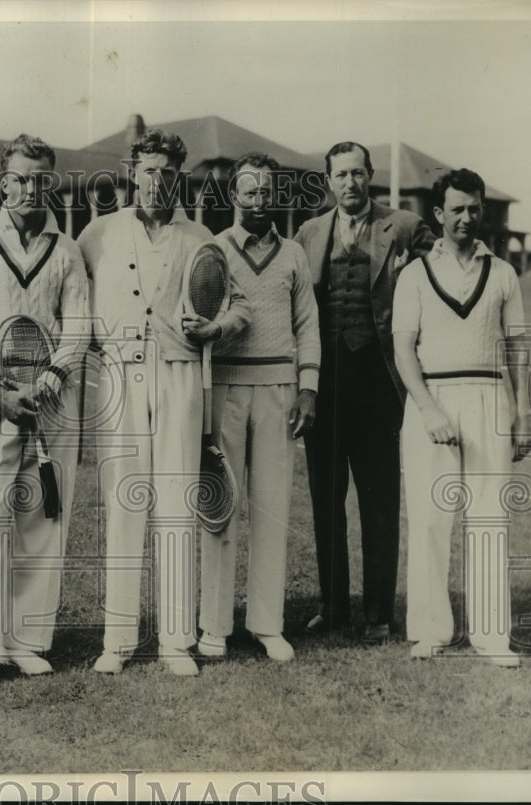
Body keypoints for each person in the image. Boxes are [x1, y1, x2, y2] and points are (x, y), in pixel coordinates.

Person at [78, 129, 249, 676]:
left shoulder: (201, 237)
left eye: (168, 173)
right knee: (124, 504)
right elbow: (71, 297)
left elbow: (238, 306)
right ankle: (118, 639)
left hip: (179, 376)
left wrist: (214, 327)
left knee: (176, 505)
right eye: (148, 170)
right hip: (118, 379)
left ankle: (176, 641)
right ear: (132, 172)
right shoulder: (97, 234)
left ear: (181, 177)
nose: (157, 182)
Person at [0, 134, 89, 694]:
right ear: (2, 183)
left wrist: (52, 378)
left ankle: (26, 641)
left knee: (42, 521)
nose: (30, 188)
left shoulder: (69, 248)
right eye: (20, 178)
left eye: (41, 178)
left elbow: (78, 323)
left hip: (54, 404)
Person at [295, 141, 434, 642]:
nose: (349, 183)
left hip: (378, 382)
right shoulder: (309, 232)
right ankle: (333, 607)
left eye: (357, 174)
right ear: (327, 180)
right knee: (325, 500)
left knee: (378, 501)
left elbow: (441, 277)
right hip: (324, 384)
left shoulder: (402, 226)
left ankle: (378, 612)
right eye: (340, 175)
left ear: (370, 175)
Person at [393, 168, 531, 667]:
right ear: (439, 214)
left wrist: (523, 412)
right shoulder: (413, 274)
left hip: (490, 397)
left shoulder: (503, 273)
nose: (467, 218)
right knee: (431, 519)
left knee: (489, 517)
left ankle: (492, 635)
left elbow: (516, 347)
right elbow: (403, 350)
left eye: (474, 208)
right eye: (457, 209)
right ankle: (430, 629)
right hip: (432, 401)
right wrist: (429, 409)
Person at [198, 153, 320, 662]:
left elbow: (307, 324)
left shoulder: (293, 254)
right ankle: (213, 626)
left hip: (279, 390)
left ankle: (268, 624)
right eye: (249, 192)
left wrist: (308, 387)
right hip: (225, 389)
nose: (259, 201)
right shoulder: (211, 250)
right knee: (221, 508)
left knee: (271, 508)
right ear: (234, 197)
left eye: (267, 192)